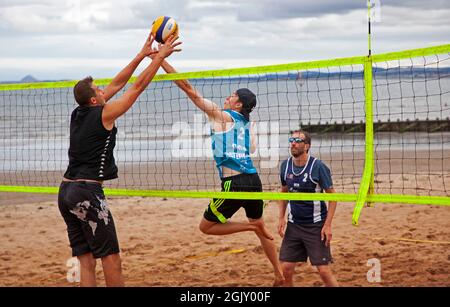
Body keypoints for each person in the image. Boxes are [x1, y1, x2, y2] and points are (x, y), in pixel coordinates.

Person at [58, 34, 181, 287]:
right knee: (111, 259)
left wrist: (140, 55)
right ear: (94, 100)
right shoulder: (104, 114)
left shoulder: (78, 113)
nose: (105, 91)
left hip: (65, 192)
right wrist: (159, 57)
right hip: (87, 192)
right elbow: (135, 88)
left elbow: (117, 83)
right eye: (99, 90)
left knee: (86, 261)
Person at [150, 54, 284, 286]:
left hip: (235, 184)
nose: (228, 96)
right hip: (254, 181)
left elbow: (188, 88)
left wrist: (161, 59)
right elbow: (250, 149)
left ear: (239, 104)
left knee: (207, 227)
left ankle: (250, 227)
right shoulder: (246, 125)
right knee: (262, 228)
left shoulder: (220, 116)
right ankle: (279, 273)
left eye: (232, 95)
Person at [277, 130, 338, 287]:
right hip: (294, 225)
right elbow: (283, 193)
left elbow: (333, 198)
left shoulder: (318, 167)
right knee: (286, 269)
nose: (293, 143)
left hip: (315, 225)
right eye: (292, 140)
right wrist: (281, 218)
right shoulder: (285, 166)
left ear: (307, 146)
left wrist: (328, 225)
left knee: (323, 271)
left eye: (298, 140)